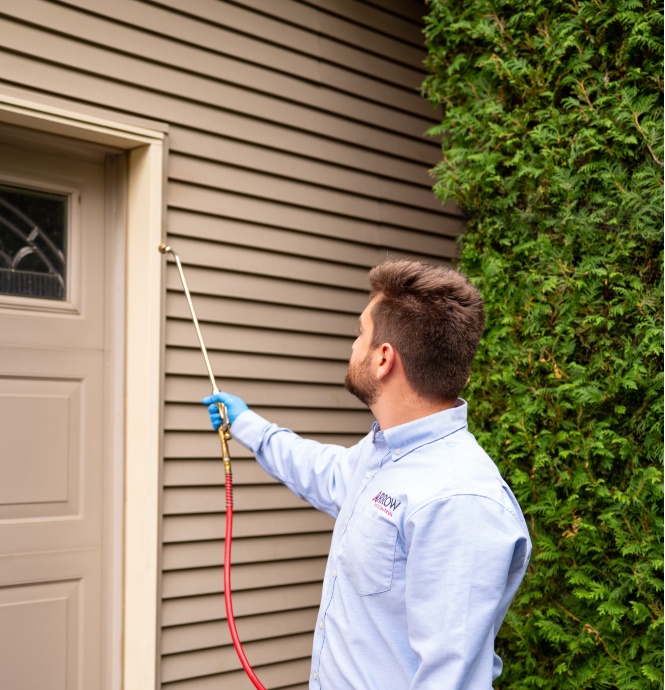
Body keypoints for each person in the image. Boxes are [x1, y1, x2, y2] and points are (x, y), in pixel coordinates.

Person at [204, 260, 531, 690]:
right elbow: (322, 471)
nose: (354, 345)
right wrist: (246, 423)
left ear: (383, 359)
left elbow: (450, 681)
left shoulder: (459, 501)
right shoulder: (382, 455)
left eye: (361, 332)